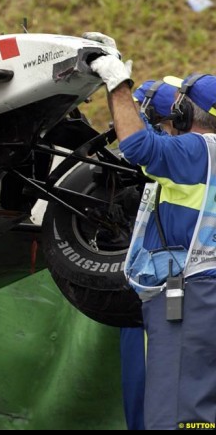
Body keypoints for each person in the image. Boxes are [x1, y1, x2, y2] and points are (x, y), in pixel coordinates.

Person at [89, 35, 216, 429]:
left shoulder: (201, 150)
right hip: (205, 294)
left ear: (181, 116)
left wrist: (117, 83)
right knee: (198, 408)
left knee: (174, 410)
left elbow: (140, 147)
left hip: (193, 293)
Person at [119, 77, 180, 431]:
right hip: (178, 293)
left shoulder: (173, 157)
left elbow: (140, 146)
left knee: (151, 398)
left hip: (168, 293)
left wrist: (121, 92)